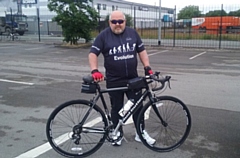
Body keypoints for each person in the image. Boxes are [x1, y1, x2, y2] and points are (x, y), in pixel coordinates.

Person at [88, 10, 155, 146]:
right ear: (109, 22)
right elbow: (93, 53)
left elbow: (141, 51)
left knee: (138, 107)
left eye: (120, 21)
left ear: (125, 22)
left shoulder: (132, 33)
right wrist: (94, 70)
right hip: (114, 80)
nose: (117, 24)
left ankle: (140, 132)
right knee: (116, 108)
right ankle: (117, 133)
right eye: (114, 21)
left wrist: (147, 67)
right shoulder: (103, 36)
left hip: (133, 79)